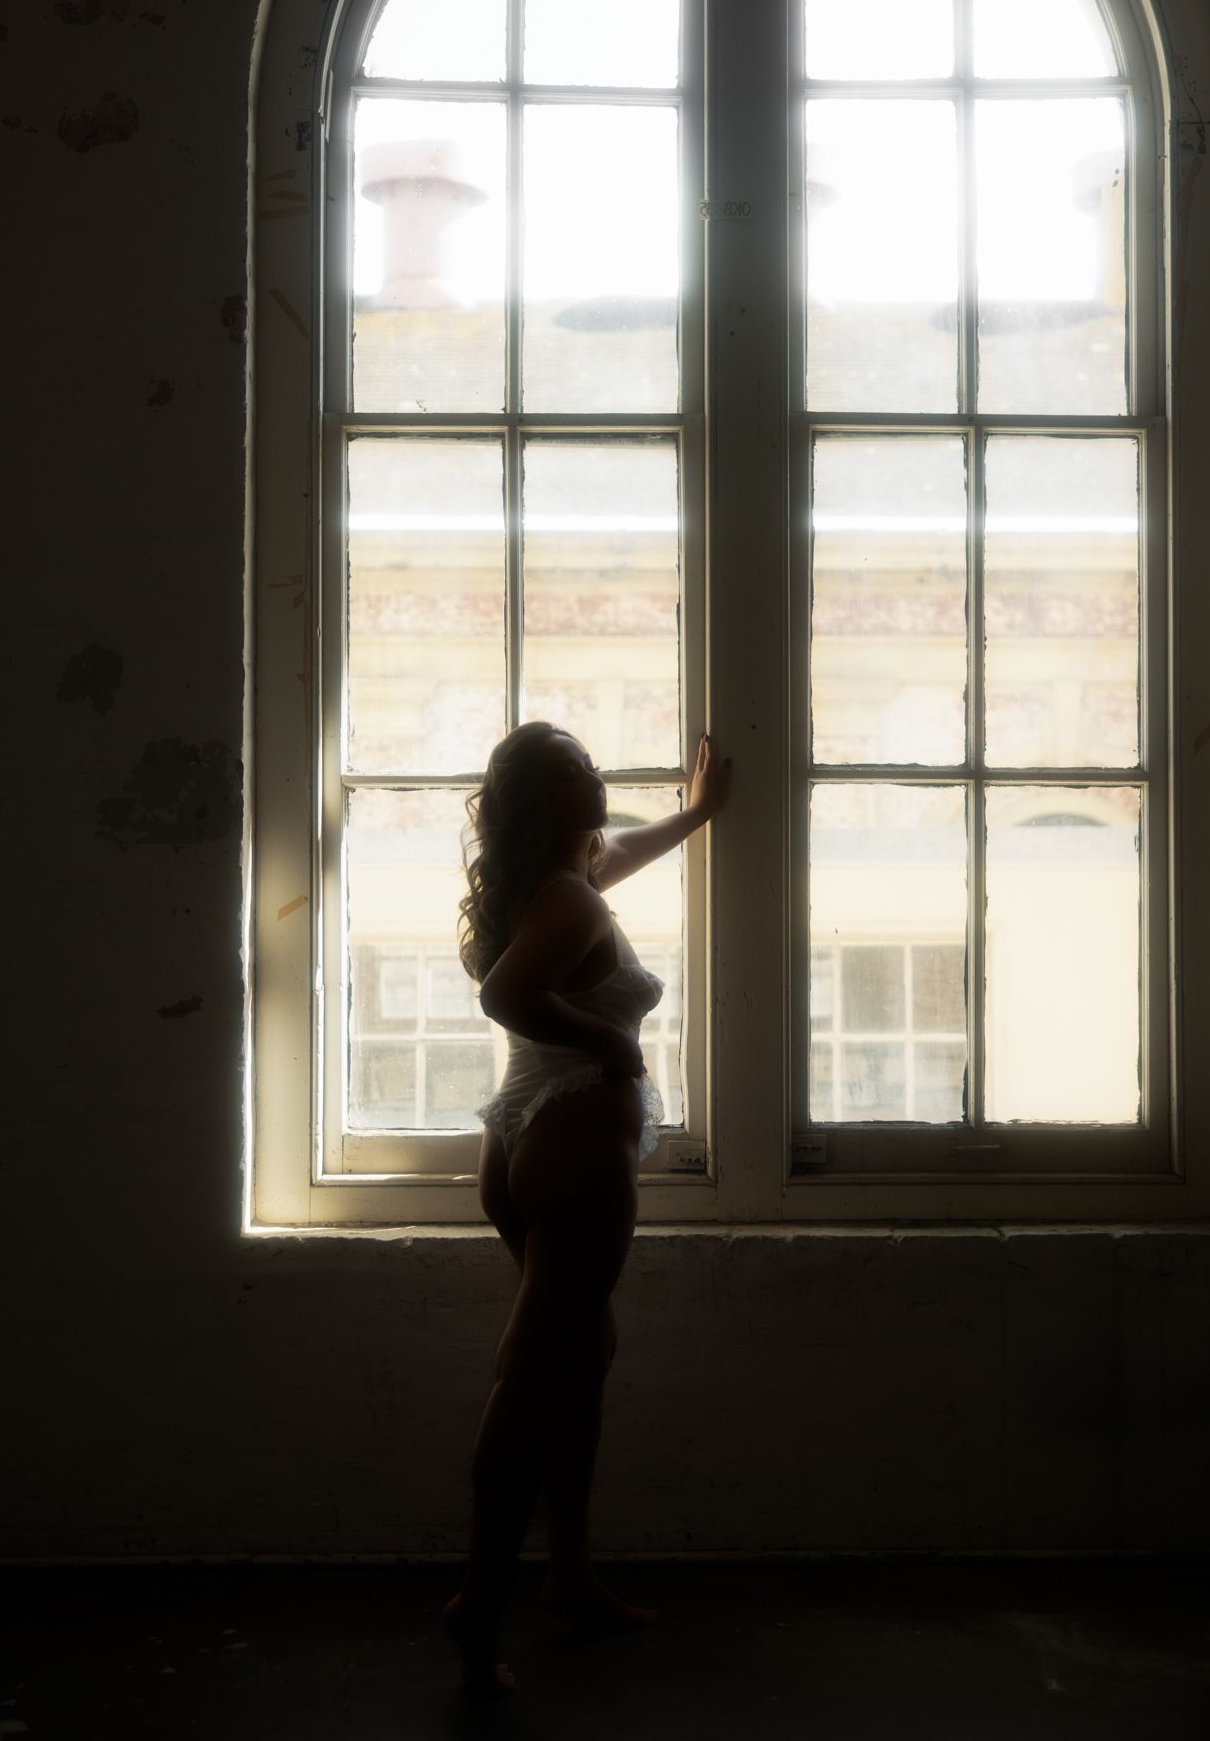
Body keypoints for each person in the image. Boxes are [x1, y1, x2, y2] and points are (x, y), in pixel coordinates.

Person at [441, 723, 731, 1697]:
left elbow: (617, 854)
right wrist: (609, 1047)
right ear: (544, 804)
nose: (597, 779)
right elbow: (505, 992)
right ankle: (479, 1605)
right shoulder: (566, 897)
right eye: (576, 773)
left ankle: (566, 1571)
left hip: (518, 1132)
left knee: (576, 1354)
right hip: (569, 1138)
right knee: (531, 1372)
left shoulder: (552, 882)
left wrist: (691, 814)